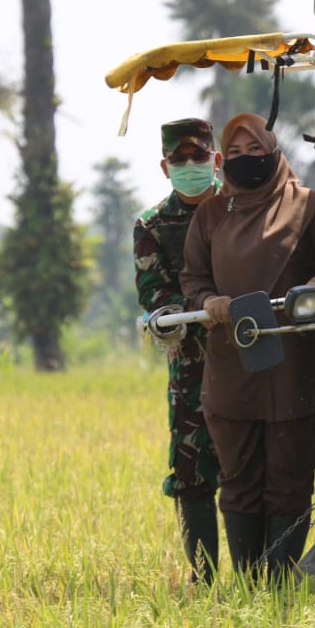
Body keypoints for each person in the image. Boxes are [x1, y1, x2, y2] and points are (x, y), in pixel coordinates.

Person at [180, 112, 315, 580]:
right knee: (238, 478)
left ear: (275, 152)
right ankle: (247, 584)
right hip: (232, 358)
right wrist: (209, 301)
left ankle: (279, 583)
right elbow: (193, 278)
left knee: (290, 477)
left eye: (255, 150)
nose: (247, 161)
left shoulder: (311, 207)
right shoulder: (210, 213)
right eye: (236, 153)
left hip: (293, 360)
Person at [134, 118, 223, 585]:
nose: (191, 166)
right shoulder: (152, 225)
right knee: (191, 470)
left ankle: (265, 574)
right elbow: (153, 294)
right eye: (180, 160)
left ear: (217, 160)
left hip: (253, 362)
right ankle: (203, 578)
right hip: (192, 366)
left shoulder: (244, 208)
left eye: (199, 157)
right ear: (165, 167)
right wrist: (191, 310)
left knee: (259, 469)